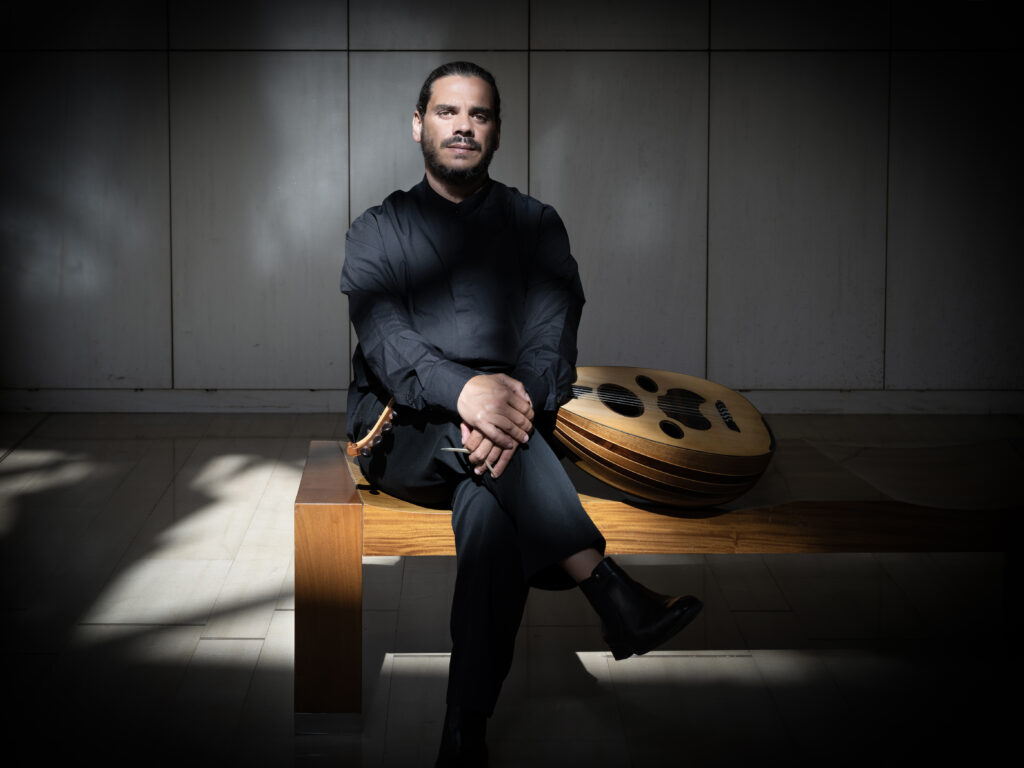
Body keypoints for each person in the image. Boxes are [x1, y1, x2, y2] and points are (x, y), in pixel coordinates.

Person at [341, 61, 702, 768]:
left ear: (497, 132)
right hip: (402, 431)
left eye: (478, 115)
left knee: (490, 515)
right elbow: (386, 340)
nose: (463, 127)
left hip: (511, 437)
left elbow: (552, 340)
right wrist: (466, 393)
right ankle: (606, 585)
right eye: (447, 113)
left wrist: (515, 401)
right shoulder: (376, 229)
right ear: (418, 125)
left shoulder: (536, 224)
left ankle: (463, 732)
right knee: (481, 443)